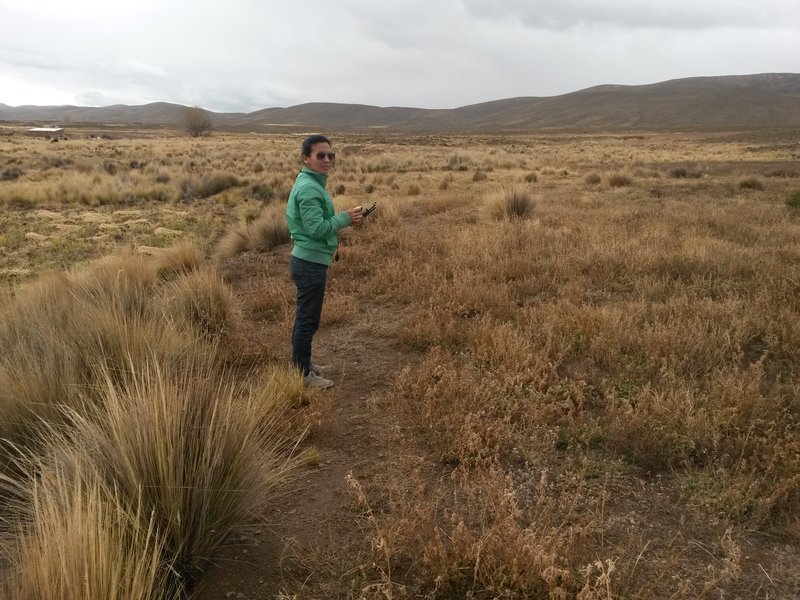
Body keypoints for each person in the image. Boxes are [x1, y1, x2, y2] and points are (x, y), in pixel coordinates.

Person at [286, 134, 363, 388]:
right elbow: (317, 229)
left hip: (309, 261)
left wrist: (342, 219)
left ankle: (304, 364)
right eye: (320, 155)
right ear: (306, 158)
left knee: (306, 318)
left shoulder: (310, 182)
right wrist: (343, 219)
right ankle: (303, 374)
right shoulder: (309, 187)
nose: (327, 159)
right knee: (308, 320)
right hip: (309, 264)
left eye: (330, 155)